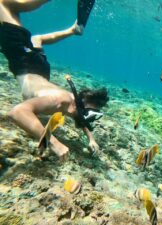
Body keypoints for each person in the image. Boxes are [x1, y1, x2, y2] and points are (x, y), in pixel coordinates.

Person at [0, 0, 107, 161]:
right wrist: (54, 143)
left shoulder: (74, 104)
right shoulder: (60, 101)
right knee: (4, 5)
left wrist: (91, 139)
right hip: (24, 60)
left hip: (39, 68)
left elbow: (81, 118)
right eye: (90, 114)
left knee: (37, 40)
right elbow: (17, 112)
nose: (89, 119)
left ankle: (73, 30)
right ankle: (72, 28)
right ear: (80, 106)